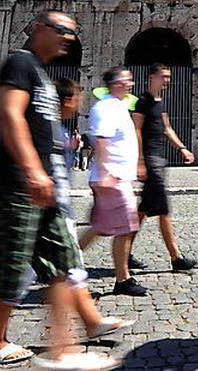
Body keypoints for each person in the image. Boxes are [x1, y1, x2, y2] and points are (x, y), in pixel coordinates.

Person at [0, 10, 117, 371]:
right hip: (20, 185)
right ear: (38, 28)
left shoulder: (43, 76)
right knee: (5, 275)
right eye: (63, 30)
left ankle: (63, 349)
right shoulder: (19, 63)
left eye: (73, 33)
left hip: (44, 189)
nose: (69, 38)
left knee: (64, 268)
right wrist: (34, 171)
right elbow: (11, 117)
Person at [78, 67, 147, 297]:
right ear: (116, 83)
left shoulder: (118, 105)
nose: (132, 84)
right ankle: (123, 279)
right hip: (112, 178)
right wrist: (107, 172)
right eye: (128, 80)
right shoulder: (105, 107)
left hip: (116, 177)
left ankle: (62, 265)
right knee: (128, 226)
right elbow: (101, 139)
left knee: (101, 227)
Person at [131, 63, 198, 272]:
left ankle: (124, 251)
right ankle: (176, 258)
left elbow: (167, 128)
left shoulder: (160, 102)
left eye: (169, 77)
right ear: (152, 77)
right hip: (151, 160)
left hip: (158, 159)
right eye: (164, 76)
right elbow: (137, 130)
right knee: (164, 210)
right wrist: (140, 160)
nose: (167, 80)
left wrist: (182, 148)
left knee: (143, 211)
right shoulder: (143, 102)